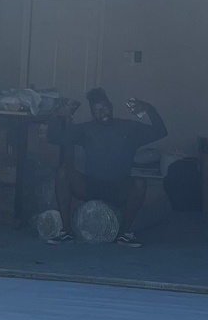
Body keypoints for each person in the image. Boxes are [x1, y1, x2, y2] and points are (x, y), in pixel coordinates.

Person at [52, 89, 167, 245]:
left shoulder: (129, 128)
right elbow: (54, 138)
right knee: (63, 172)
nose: (102, 113)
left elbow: (161, 131)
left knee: (140, 183)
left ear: (111, 106)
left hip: (119, 188)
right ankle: (66, 232)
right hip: (91, 186)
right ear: (92, 113)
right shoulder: (87, 129)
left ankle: (124, 234)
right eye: (97, 111)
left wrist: (148, 109)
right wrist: (58, 115)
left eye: (105, 108)